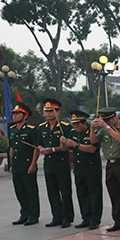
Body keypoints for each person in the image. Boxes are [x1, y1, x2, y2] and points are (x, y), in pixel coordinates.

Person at [91, 108, 120, 233]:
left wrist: (107, 127)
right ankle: (118, 221)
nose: (106, 123)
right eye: (104, 121)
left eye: (108, 120)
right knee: (114, 194)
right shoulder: (103, 129)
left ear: (115, 117)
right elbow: (93, 141)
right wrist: (92, 129)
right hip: (110, 164)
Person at [60, 110, 102, 230]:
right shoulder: (73, 133)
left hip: (92, 169)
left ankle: (95, 219)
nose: (75, 126)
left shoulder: (93, 132)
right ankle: (86, 218)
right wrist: (63, 142)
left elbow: (92, 149)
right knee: (82, 194)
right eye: (74, 124)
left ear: (84, 123)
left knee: (94, 195)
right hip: (79, 168)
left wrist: (76, 145)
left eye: (77, 123)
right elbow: (65, 148)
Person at [37, 98, 74, 228]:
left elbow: (68, 145)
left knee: (65, 192)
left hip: (61, 163)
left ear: (57, 112)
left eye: (51, 111)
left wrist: (53, 149)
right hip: (49, 164)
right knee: (52, 192)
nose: (48, 113)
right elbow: (39, 143)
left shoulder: (65, 127)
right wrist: (41, 149)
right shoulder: (42, 127)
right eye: (46, 111)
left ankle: (67, 217)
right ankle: (57, 216)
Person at [8, 102, 39, 225]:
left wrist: (33, 164)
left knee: (31, 191)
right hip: (17, 165)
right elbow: (11, 148)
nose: (14, 116)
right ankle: (24, 213)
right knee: (20, 191)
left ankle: (33, 215)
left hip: (27, 165)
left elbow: (36, 148)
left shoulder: (31, 130)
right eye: (13, 114)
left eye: (17, 114)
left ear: (25, 116)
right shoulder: (12, 130)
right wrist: (11, 164)